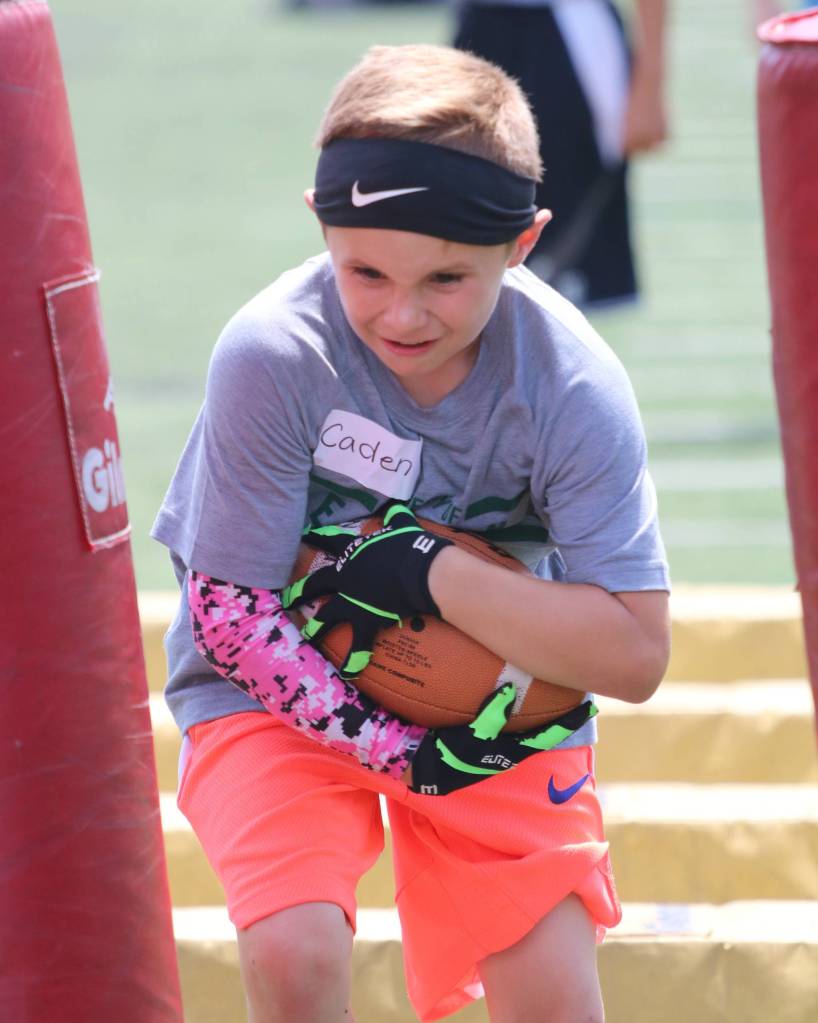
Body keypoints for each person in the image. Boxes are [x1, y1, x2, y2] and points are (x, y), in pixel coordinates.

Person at [152, 43, 671, 1023]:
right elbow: (228, 612)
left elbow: (637, 655)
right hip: (273, 688)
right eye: (365, 272)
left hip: (497, 703)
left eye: (446, 279)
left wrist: (431, 574)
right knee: (294, 950)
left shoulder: (570, 385)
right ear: (319, 227)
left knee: (551, 996)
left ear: (522, 247)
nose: (401, 313)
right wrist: (391, 751)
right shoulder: (274, 353)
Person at [454, 0, 669, 309]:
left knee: (577, 271)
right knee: (466, 250)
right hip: (477, 28)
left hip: (571, 32)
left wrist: (650, 83)